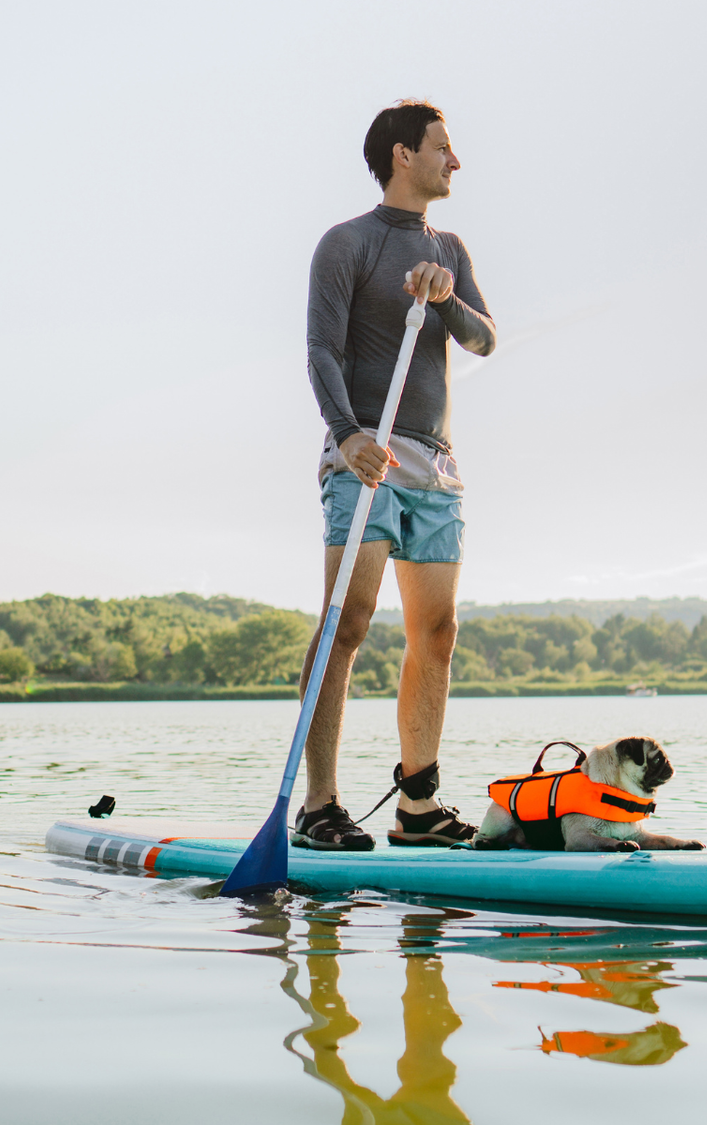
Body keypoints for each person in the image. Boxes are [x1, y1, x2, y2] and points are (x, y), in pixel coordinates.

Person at [295, 100, 496, 851]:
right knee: (348, 621)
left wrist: (446, 298)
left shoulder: (448, 247)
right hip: (365, 456)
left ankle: (418, 806)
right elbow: (320, 350)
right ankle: (320, 804)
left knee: (436, 632)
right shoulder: (346, 243)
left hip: (434, 464)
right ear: (403, 154)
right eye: (444, 148)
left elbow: (484, 338)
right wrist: (347, 436)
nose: (455, 161)